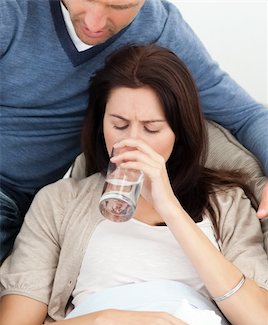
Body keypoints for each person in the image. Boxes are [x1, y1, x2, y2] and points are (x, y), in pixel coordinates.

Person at [0, 44, 267, 325]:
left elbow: (259, 322)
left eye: (152, 129)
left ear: (181, 130)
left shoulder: (225, 201)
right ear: (99, 123)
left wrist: (171, 208)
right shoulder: (60, 201)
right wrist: (109, 321)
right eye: (119, 124)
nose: (131, 142)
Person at [1, 0, 268, 264]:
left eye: (118, 7)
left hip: (14, 203)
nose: (94, 23)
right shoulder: (11, 11)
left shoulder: (158, 28)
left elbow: (247, 115)